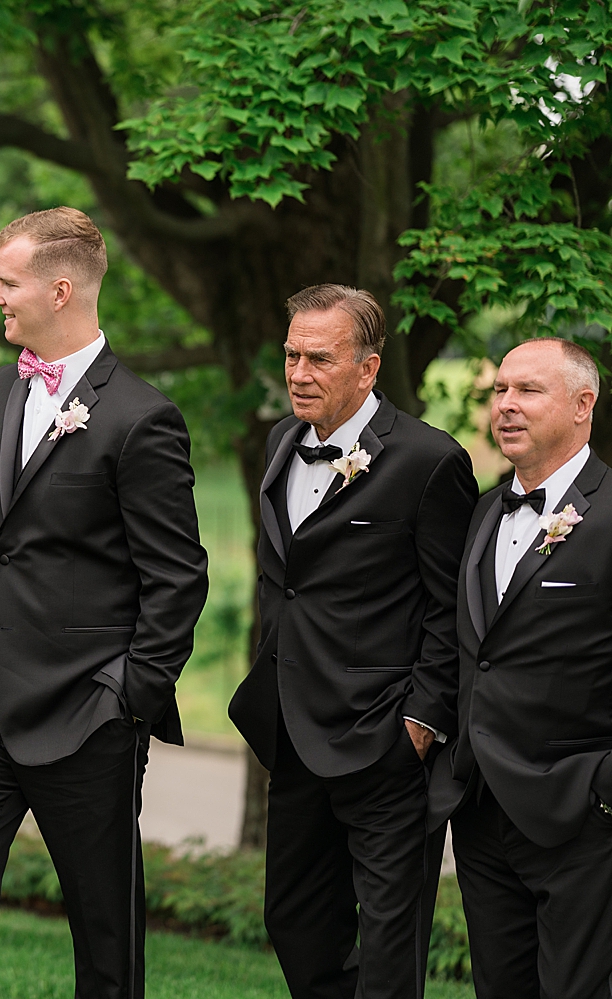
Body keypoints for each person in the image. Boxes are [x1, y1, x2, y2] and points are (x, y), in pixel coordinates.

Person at [0, 207, 209, 998]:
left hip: (86, 714)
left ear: (61, 288)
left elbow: (176, 578)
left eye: (8, 282)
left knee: (104, 930)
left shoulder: (142, 417)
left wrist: (127, 695)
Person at [227, 284, 477, 999]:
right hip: (295, 732)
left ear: (367, 369)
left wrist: (421, 722)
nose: (299, 373)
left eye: (319, 359)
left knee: (392, 939)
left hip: (386, 739)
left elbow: (448, 607)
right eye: (291, 356)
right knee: (295, 918)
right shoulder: (282, 440)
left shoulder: (428, 461)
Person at [428, 337, 612, 998]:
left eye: (528, 390)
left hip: (582, 813)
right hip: (482, 812)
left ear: (583, 404)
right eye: (501, 389)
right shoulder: (484, 508)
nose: (506, 404)